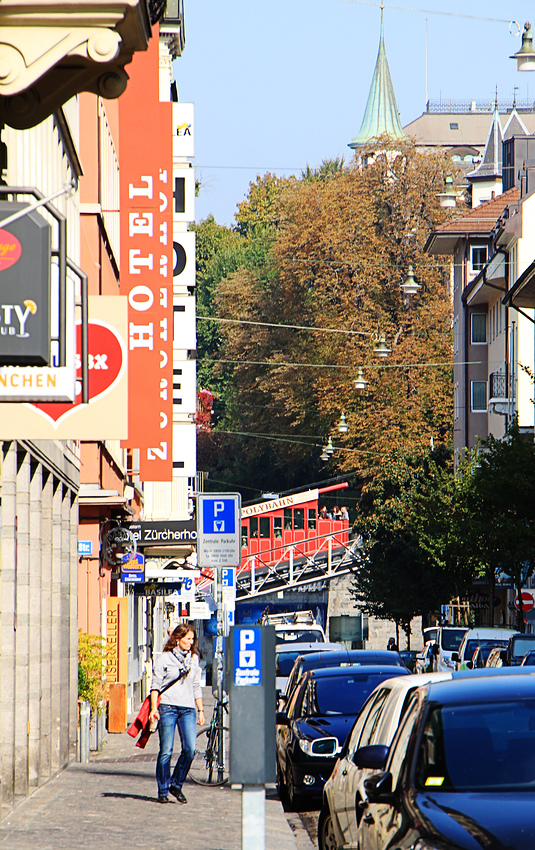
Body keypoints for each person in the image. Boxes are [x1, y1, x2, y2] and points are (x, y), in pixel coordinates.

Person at [149, 623, 205, 804]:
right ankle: (163, 790)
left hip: (188, 709)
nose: (191, 642)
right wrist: (153, 709)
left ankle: (176, 784)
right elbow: (155, 686)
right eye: (188, 639)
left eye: (192, 639)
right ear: (178, 639)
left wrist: (201, 709)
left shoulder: (194, 658)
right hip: (167, 708)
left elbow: (196, 685)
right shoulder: (164, 658)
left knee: (190, 749)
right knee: (166, 750)